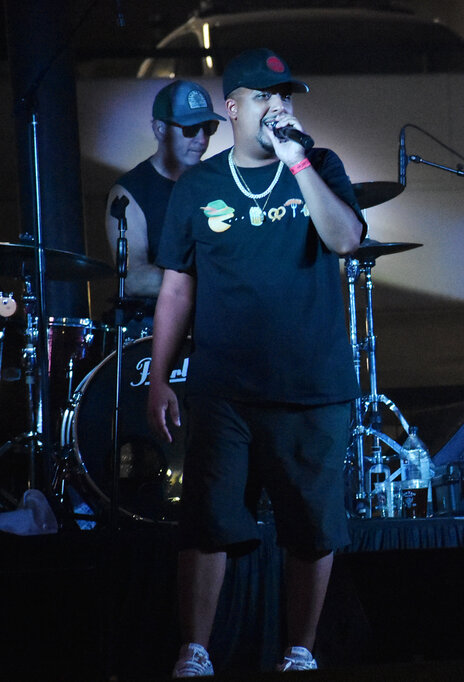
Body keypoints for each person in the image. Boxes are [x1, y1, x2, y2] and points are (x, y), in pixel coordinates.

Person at [146, 48, 365, 677]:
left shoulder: (320, 166)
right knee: (208, 520)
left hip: (312, 385)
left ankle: (299, 651)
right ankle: (196, 651)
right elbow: (177, 287)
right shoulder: (200, 186)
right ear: (235, 107)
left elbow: (345, 239)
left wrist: (299, 162)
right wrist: (159, 377)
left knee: (312, 526)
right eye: (266, 97)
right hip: (225, 388)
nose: (279, 108)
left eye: (287, 97)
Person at [104, 80, 224, 335]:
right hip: (156, 326)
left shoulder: (218, 183)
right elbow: (133, 278)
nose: (202, 139)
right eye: (191, 129)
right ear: (159, 129)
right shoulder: (129, 191)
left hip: (215, 321)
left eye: (208, 127)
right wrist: (213, 278)